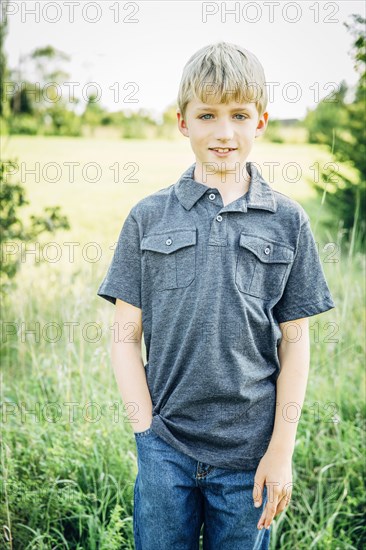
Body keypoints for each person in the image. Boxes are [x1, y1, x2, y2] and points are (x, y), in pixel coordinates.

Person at [97, 41, 336, 550]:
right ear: (183, 122)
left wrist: (281, 450)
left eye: (239, 115)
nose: (223, 132)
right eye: (206, 114)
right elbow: (124, 338)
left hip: (252, 453)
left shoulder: (288, 221)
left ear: (261, 122)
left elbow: (296, 345)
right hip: (165, 449)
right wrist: (145, 432)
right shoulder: (148, 216)